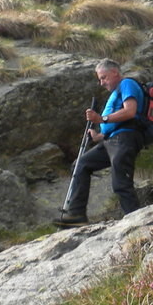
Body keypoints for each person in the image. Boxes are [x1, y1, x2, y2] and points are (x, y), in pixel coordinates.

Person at [55, 59, 144, 226]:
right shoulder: (116, 92)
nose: (101, 83)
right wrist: (99, 137)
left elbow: (130, 112)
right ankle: (76, 215)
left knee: (120, 182)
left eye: (104, 77)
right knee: (80, 165)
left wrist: (100, 118)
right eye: (100, 79)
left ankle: (137, 222)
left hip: (125, 138)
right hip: (112, 140)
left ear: (115, 73)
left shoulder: (127, 84)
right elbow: (116, 123)